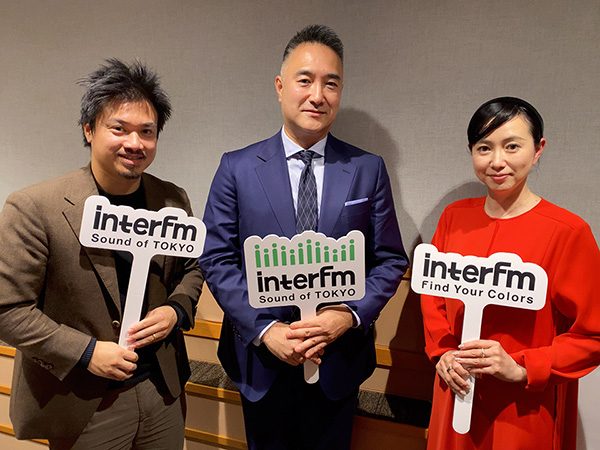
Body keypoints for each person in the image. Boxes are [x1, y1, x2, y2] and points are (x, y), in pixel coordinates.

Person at [199, 24, 408, 450]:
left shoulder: (367, 169)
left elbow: (389, 259)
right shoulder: (236, 168)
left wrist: (347, 315)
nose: (318, 95)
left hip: (338, 361)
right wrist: (266, 329)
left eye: (331, 84)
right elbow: (217, 258)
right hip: (261, 361)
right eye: (305, 80)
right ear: (280, 87)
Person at [0, 59, 204, 449]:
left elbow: (192, 267)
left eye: (147, 131)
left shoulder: (172, 200)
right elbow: (7, 309)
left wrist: (176, 310)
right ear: (89, 129)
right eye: (119, 128)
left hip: (162, 390)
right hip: (82, 400)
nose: (135, 143)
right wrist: (86, 353)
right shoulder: (34, 207)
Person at [421, 96, 600, 450]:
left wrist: (523, 368)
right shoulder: (454, 218)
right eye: (484, 148)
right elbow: (433, 298)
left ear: (538, 150)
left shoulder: (568, 232)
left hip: (523, 407)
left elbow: (592, 335)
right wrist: (443, 352)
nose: (497, 161)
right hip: (456, 390)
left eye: (512, 146)